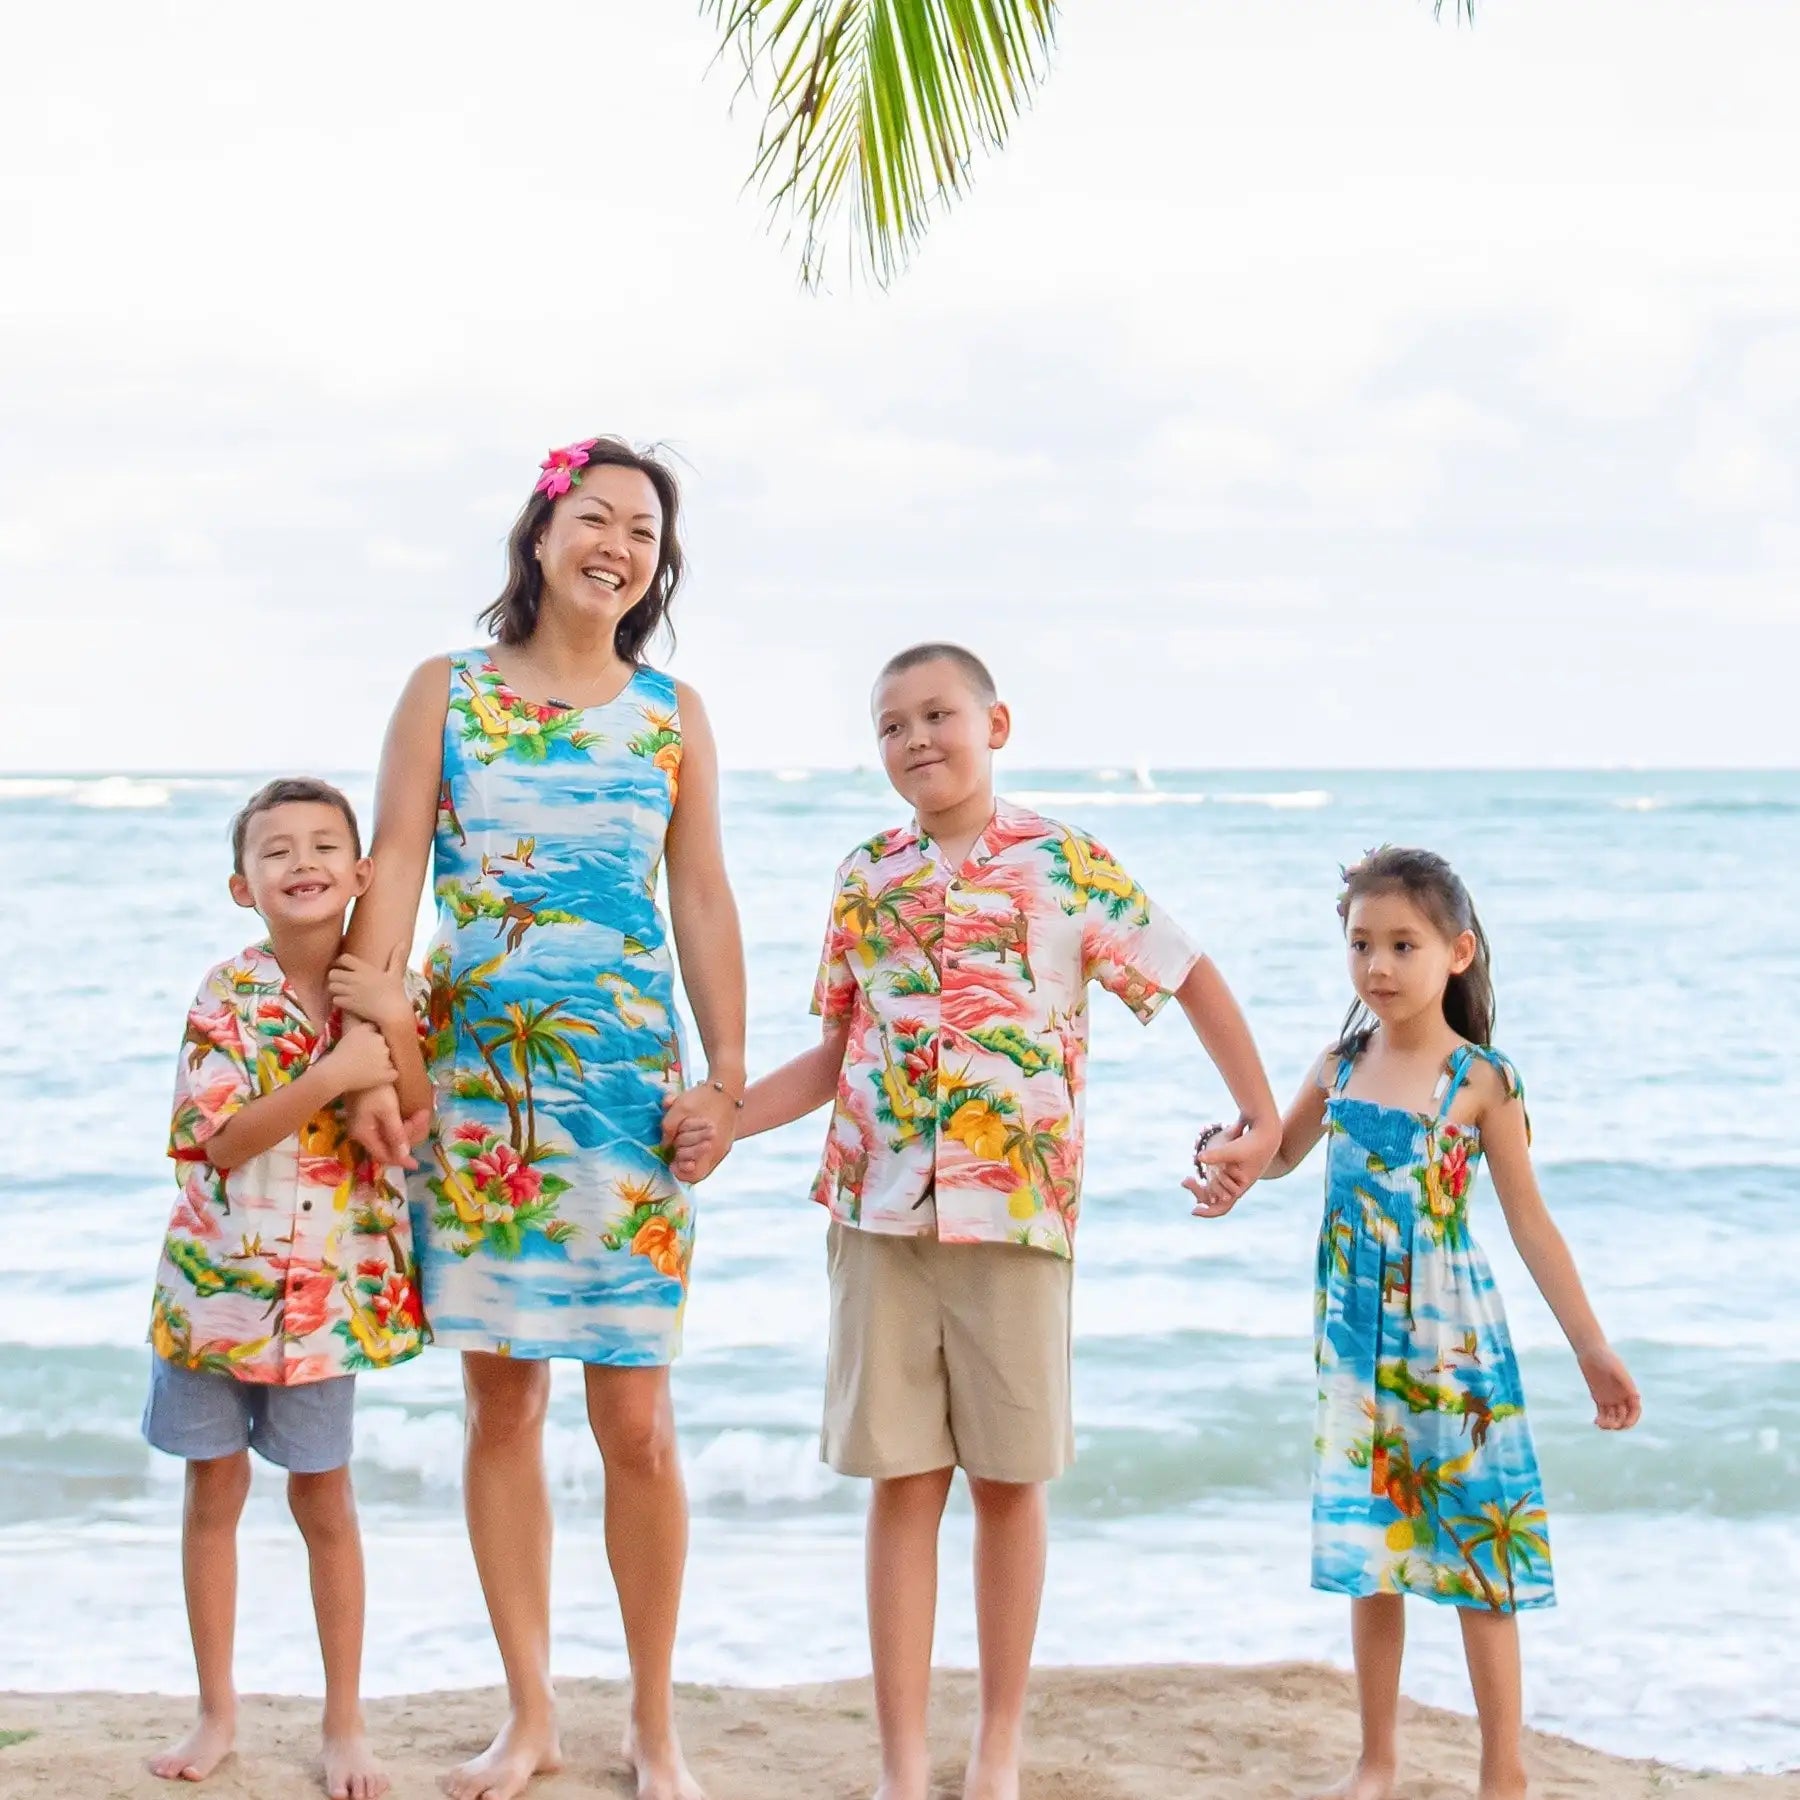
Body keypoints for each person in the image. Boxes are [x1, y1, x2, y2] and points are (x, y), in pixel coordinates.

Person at [684, 642, 1277, 1800]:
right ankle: (903, 1765)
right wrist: (726, 1124)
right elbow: (837, 1049)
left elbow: (1188, 972)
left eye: (937, 715)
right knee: (903, 1485)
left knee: (1011, 1484)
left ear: (995, 725)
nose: (916, 739)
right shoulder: (866, 876)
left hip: (1016, 1217)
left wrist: (1257, 1117)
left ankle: (995, 1745)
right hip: (879, 1220)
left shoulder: (1064, 863)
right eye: (890, 725)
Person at [339, 436, 746, 1800]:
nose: (615, 545)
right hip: (476, 1095)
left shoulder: (672, 714)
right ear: (540, 533)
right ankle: (530, 1717)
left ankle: (654, 1724)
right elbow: (396, 871)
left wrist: (726, 1077)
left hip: (627, 1096)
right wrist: (373, 1065)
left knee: (637, 1422)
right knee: (502, 1404)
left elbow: (701, 894)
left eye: (643, 531)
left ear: (656, 566)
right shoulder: (445, 692)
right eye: (595, 517)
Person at [1252, 846, 1641, 1800]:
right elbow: (1276, 1156)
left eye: (1402, 944)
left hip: (1452, 1346)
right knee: (1371, 1554)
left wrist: (1591, 1347)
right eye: (1361, 944)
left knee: (1479, 1554)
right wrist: (1227, 1158)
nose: (1377, 966)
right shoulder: (1339, 1067)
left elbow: (1530, 1222)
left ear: (1456, 952)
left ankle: (1503, 1771)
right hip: (1354, 1350)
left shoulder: (1482, 1080)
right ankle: (1376, 1762)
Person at [144, 777, 430, 1797]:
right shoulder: (226, 994)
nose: (301, 862)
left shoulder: (388, 989)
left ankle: (344, 1720)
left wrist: (391, 1032)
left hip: (326, 1306)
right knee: (212, 1491)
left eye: (322, 845)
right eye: (275, 851)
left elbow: (412, 1127)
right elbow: (218, 1142)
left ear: (362, 873)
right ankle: (217, 1709)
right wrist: (328, 1078)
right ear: (242, 886)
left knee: (326, 1502)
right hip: (216, 1292)